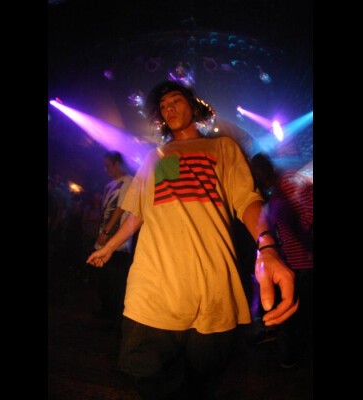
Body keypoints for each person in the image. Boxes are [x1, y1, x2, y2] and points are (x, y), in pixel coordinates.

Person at [87, 81, 298, 399]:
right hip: (153, 285)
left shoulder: (222, 148)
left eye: (176, 100)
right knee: (143, 369)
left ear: (193, 105)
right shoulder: (159, 157)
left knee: (204, 377)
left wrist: (267, 247)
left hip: (212, 288)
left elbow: (246, 201)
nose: (169, 108)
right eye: (163, 106)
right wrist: (109, 246)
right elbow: (140, 212)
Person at [250, 152, 313, 368]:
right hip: (289, 261)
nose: (258, 178)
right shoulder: (274, 191)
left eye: (258, 173)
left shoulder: (288, 182)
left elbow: (309, 210)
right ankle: (291, 354)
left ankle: (293, 355)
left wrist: (301, 232)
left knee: (299, 311)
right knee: (293, 312)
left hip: (303, 260)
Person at [92, 151, 134, 331]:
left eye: (108, 165)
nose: (105, 169)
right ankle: (106, 310)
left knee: (117, 281)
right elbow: (106, 210)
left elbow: (120, 208)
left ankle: (115, 319)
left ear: (117, 164)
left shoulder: (128, 181)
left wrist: (107, 232)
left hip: (119, 242)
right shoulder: (110, 185)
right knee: (105, 279)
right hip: (104, 238)